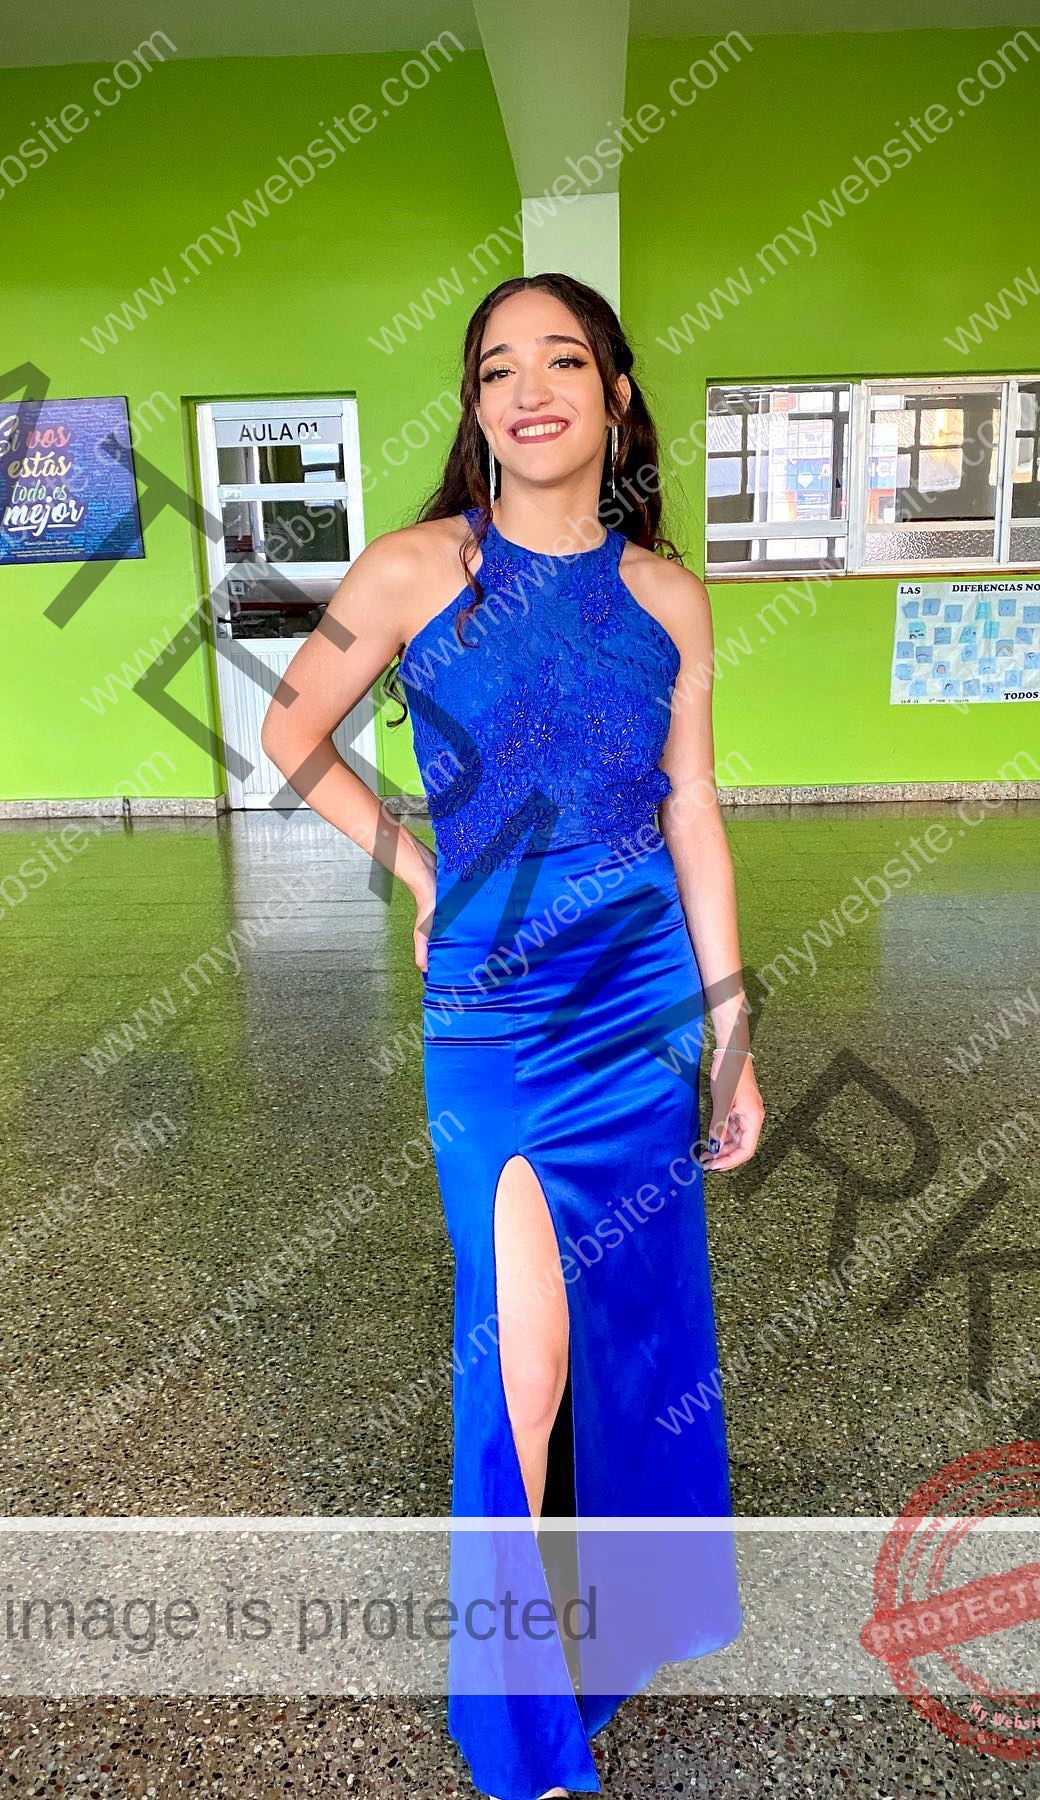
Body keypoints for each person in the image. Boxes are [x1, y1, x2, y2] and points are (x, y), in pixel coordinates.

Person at [260, 272, 762, 1800]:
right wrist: (419, 870)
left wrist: (732, 1024)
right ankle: (521, 1727)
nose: (529, 390)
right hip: (496, 1011)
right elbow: (291, 730)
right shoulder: (421, 568)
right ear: (475, 406)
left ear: (616, 394)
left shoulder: (668, 595)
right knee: (519, 1364)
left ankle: (627, 1626)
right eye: (497, 368)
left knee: (637, 1325)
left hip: (643, 996)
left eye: (563, 361)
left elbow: (692, 808)